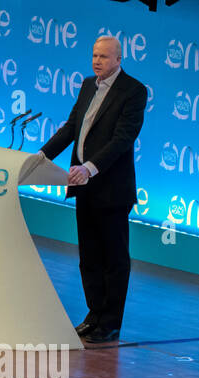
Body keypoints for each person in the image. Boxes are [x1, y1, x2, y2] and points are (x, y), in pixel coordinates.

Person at [39, 35, 145, 343]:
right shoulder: (88, 85)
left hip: (111, 190)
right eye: (94, 55)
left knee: (113, 258)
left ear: (118, 60)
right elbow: (72, 128)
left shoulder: (134, 92)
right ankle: (93, 315)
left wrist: (89, 168)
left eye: (103, 56)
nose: (97, 61)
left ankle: (110, 322)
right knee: (89, 257)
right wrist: (41, 156)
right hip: (82, 188)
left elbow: (122, 140)